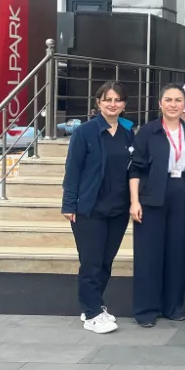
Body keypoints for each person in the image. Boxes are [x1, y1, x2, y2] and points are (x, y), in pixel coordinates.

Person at [61, 81, 134, 334]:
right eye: (107, 99)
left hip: (118, 209)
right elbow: (73, 169)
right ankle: (92, 312)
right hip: (89, 208)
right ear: (98, 103)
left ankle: (93, 305)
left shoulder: (128, 132)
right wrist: (69, 203)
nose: (113, 104)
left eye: (117, 100)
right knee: (91, 262)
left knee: (105, 262)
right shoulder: (85, 132)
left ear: (124, 104)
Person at [129, 84, 185, 327]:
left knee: (177, 253)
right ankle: (146, 310)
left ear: (184, 104)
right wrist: (134, 201)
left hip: (182, 195)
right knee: (149, 255)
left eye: (178, 100)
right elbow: (135, 168)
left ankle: (173, 306)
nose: (173, 104)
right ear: (160, 104)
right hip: (152, 196)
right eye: (168, 100)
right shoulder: (148, 132)